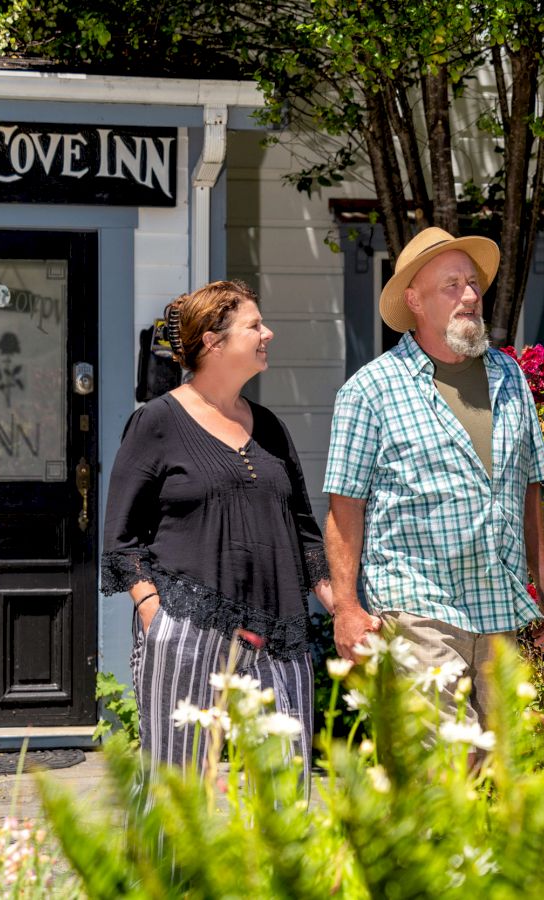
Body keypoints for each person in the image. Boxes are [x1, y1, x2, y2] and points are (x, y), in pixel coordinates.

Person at [323, 227, 544, 725]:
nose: (470, 296)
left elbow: (529, 491)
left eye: (473, 284)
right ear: (414, 300)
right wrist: (346, 608)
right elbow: (343, 508)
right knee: (439, 774)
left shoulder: (509, 376)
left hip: (497, 605)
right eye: (451, 286)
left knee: (505, 768)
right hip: (417, 608)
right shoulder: (370, 391)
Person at [102, 280, 334, 772]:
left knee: (286, 786)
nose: (267, 333)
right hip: (188, 626)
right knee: (176, 794)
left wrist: (343, 605)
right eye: (254, 325)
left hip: (278, 631)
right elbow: (122, 537)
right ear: (213, 340)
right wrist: (154, 613)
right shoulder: (157, 421)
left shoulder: (269, 426)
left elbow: (304, 530)